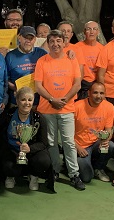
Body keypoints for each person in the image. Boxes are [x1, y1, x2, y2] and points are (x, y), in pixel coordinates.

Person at [34, 29, 84, 191]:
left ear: (64, 43)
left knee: (69, 142)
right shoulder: (42, 61)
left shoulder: (72, 60)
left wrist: (64, 99)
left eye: (58, 41)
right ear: (48, 44)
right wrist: (52, 99)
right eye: (52, 41)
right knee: (51, 142)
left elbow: (77, 84)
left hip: (67, 108)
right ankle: (54, 170)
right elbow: (38, 86)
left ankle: (74, 174)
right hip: (47, 109)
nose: (55, 44)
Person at [0, 87, 53, 192]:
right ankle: (11, 176)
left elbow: (44, 143)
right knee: (8, 166)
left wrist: (30, 148)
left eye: (30, 100)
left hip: (31, 151)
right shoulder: (8, 114)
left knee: (43, 161)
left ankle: (33, 175)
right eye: (23, 99)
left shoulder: (39, 118)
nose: (27, 103)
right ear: (17, 101)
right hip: (12, 150)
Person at [74, 82, 114, 183]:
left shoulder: (109, 107)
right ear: (89, 93)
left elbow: (108, 130)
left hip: (96, 143)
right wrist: (78, 148)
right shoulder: (77, 106)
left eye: (101, 93)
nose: (98, 96)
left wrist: (106, 140)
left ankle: (99, 168)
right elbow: (66, 134)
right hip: (80, 146)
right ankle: (75, 163)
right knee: (87, 178)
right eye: (95, 93)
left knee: (110, 145)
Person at [5, 26, 46, 105]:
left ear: (35, 40)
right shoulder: (10, 56)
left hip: (39, 102)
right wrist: (17, 88)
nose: (28, 41)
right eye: (25, 38)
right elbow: (6, 79)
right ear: (19, 38)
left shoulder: (42, 53)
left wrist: (69, 52)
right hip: (17, 101)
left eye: (31, 38)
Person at [74, 21, 103, 99]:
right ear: (84, 32)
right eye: (89, 29)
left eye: (94, 29)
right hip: (81, 84)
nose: (91, 32)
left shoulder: (102, 49)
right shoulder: (76, 47)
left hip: (96, 83)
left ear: (98, 32)